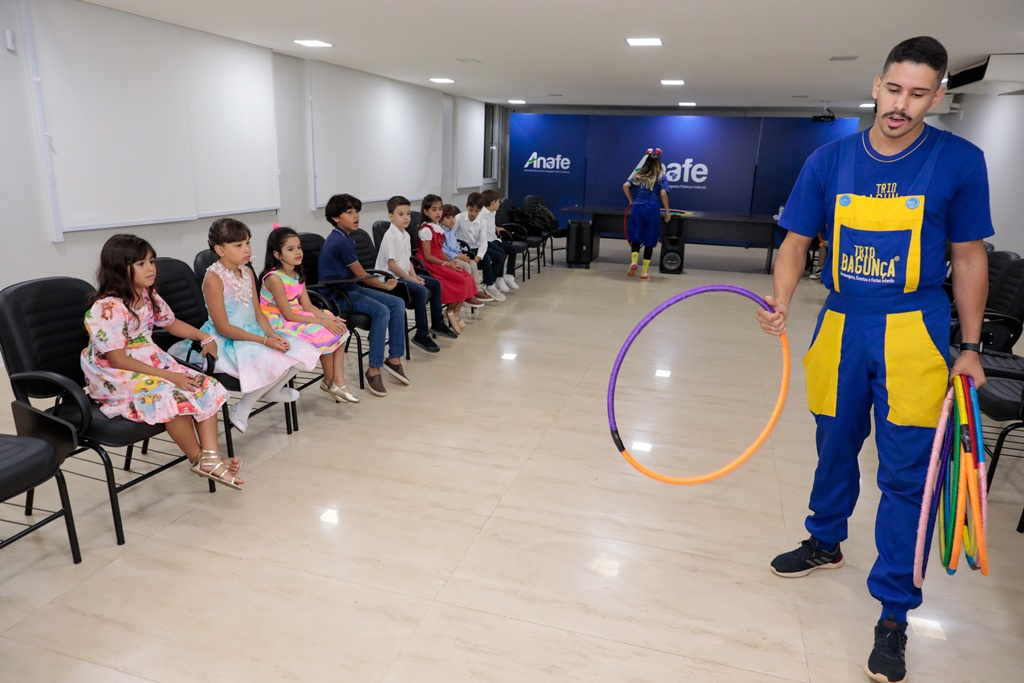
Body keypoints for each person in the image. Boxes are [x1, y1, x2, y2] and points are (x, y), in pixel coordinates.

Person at [757, 36, 991, 683]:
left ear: (937, 96)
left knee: (907, 475)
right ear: (876, 85)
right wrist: (781, 301)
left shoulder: (959, 161)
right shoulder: (829, 160)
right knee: (833, 445)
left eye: (917, 94)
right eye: (893, 89)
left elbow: (969, 257)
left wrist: (971, 348)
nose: (901, 105)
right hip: (841, 323)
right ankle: (825, 538)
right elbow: (795, 242)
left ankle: (893, 612)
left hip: (915, 328)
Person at [81, 234, 242, 489]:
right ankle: (198, 458)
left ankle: (210, 457)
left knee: (205, 385)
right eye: (141, 264)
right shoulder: (107, 308)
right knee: (171, 395)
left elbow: (171, 323)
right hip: (114, 372)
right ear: (119, 268)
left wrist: (204, 337)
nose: (151, 268)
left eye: (151, 261)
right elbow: (117, 359)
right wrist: (169, 375)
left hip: (147, 359)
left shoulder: (147, 294)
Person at [172, 218, 318, 433]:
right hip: (228, 339)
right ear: (220, 250)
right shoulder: (213, 278)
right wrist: (264, 341)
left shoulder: (247, 271)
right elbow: (223, 327)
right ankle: (243, 407)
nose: (247, 249)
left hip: (254, 331)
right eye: (238, 245)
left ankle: (271, 391)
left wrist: (272, 335)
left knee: (298, 350)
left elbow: (258, 313)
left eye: (248, 243)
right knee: (273, 358)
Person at [320, 192, 410, 397]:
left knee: (397, 303)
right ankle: (373, 369)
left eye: (357, 211)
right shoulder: (340, 241)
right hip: (337, 296)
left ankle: (394, 359)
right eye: (349, 212)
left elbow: (357, 275)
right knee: (382, 311)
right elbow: (361, 275)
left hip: (350, 287)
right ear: (336, 218)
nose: (355, 216)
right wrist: (385, 286)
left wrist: (384, 285)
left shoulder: (346, 237)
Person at [259, 226, 359, 404]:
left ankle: (337, 381)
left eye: (299, 247)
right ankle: (330, 381)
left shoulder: (297, 273)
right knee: (323, 331)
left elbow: (308, 306)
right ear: (277, 254)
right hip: (277, 320)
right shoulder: (274, 278)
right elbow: (288, 314)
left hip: (296, 313)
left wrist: (329, 319)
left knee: (339, 328)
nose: (298, 252)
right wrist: (322, 322)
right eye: (291, 249)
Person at [374, 195, 458, 350]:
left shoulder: (405, 234)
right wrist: (411, 279)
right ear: (391, 216)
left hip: (403, 275)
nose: (406, 217)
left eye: (407, 213)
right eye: (401, 214)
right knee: (420, 290)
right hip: (391, 279)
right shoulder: (390, 236)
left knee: (435, 283)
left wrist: (414, 276)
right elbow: (392, 265)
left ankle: (437, 323)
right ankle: (421, 334)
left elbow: (407, 260)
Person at [417, 195, 485, 331]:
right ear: (425, 212)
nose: (438, 212)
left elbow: (440, 251)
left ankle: (454, 312)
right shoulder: (425, 230)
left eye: (440, 209)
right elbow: (428, 256)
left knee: (466, 276)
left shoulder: (437, 226)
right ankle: (450, 311)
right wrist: (447, 264)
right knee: (461, 280)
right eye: (434, 209)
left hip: (441, 260)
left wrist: (451, 261)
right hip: (431, 264)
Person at [623, 147, 671, 280]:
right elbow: (663, 193)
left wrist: (631, 200)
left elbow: (625, 186)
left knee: (636, 237)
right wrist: (667, 211)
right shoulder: (661, 177)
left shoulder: (638, 175)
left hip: (637, 208)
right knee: (650, 240)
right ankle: (644, 271)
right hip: (652, 209)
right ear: (659, 164)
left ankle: (633, 262)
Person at [457, 192, 505, 302]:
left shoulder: (482, 221)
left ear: (480, 210)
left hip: (477, 248)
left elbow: (483, 241)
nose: (473, 213)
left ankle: (490, 284)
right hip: (464, 249)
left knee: (499, 256)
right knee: (487, 259)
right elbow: (451, 237)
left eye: (476, 211)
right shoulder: (459, 218)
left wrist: (479, 256)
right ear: (466, 206)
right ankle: (488, 286)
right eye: (471, 210)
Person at [440, 203, 490, 301]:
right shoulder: (441, 233)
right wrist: (458, 256)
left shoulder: (451, 231)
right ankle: (467, 293)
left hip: (456, 256)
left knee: (473, 264)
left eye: (453, 217)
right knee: (466, 266)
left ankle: (477, 290)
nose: (452, 220)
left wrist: (461, 254)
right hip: (448, 259)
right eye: (448, 218)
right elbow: (443, 251)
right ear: (441, 220)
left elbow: (455, 247)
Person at [479, 189, 520, 293]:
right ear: (493, 203)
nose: (500, 204)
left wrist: (496, 227)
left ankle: (509, 275)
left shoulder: (493, 211)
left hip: (494, 238)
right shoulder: (481, 214)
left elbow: (489, 224)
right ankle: (499, 277)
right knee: (501, 252)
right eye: (498, 202)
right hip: (487, 242)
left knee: (512, 249)